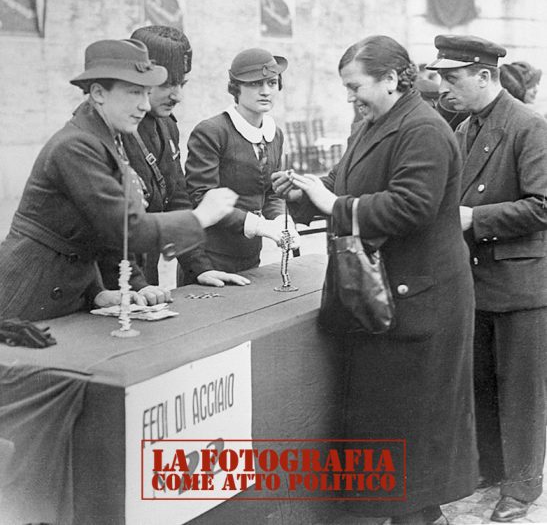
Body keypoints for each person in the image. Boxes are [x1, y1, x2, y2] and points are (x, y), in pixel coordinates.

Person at [273, 35, 477, 525]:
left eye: (355, 86)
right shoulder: (378, 123)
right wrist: (305, 191)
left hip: (420, 300)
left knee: (410, 425)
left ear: (391, 78)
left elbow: (411, 205)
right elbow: (347, 179)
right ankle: (418, 515)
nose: (350, 97)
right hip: (393, 296)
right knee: (400, 426)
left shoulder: (423, 128)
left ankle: (419, 518)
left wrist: (335, 206)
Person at [0, 38, 236, 321]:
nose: (144, 105)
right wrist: (200, 218)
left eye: (147, 93)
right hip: (28, 292)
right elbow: (125, 228)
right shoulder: (76, 146)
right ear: (98, 93)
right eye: (135, 92)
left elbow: (101, 233)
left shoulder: (106, 137)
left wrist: (99, 291)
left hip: (65, 290)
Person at [427, 34, 547, 523]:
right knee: (482, 383)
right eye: (440, 79)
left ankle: (521, 485)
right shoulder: (464, 127)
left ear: (484, 75)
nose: (443, 89)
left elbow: (543, 205)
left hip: (521, 287)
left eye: (452, 79)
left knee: (522, 390)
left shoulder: (529, 127)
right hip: (476, 283)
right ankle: (491, 468)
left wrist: (476, 218)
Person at [100, 25, 250, 290]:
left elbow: (176, 198)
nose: (178, 96)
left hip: (145, 275)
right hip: (108, 281)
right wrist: (136, 286)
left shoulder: (166, 125)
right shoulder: (111, 130)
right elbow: (112, 230)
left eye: (182, 84)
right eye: (168, 84)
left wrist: (200, 266)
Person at [185, 47, 298, 274]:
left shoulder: (274, 134)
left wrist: (281, 222)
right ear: (236, 88)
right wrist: (259, 226)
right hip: (209, 258)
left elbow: (271, 192)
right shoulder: (212, 131)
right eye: (255, 84)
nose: (265, 91)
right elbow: (201, 196)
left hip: (249, 256)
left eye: (272, 83)